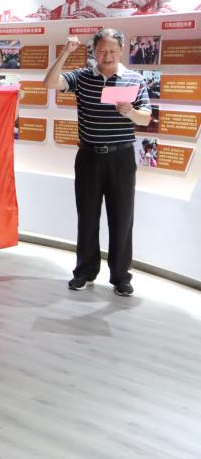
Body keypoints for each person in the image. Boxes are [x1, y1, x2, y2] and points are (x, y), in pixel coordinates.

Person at [44, 29, 151, 297]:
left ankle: (121, 277)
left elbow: (146, 118)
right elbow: (49, 83)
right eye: (102, 50)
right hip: (89, 156)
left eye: (113, 51)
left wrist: (130, 111)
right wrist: (65, 53)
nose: (107, 56)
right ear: (93, 51)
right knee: (87, 216)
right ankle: (84, 272)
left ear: (122, 50)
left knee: (122, 218)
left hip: (121, 158)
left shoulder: (134, 79)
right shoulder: (82, 76)